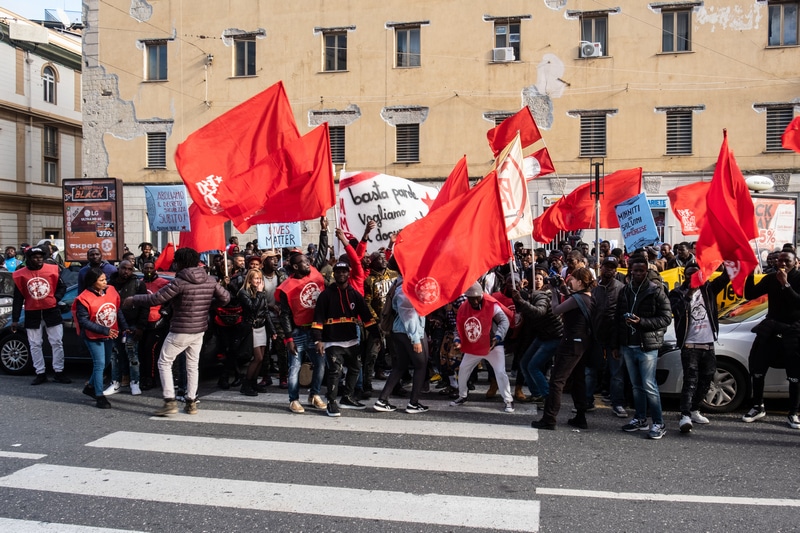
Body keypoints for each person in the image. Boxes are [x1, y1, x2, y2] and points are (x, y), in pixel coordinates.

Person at [124, 247, 230, 416]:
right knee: (192, 365)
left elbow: (156, 298)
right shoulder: (210, 280)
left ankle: (169, 401)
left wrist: (133, 299)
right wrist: (207, 306)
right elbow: (225, 298)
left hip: (181, 329)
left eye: (176, 261)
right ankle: (191, 401)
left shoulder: (179, 282)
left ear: (180, 263)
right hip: (199, 329)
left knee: (164, 362)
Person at [614, 255, 673, 439]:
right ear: (630, 270)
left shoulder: (656, 291)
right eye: (635, 270)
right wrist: (616, 344)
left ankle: (658, 423)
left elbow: (666, 318)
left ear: (646, 271)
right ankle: (640, 418)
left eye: (641, 270)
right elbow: (617, 319)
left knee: (649, 385)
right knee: (636, 386)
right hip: (628, 344)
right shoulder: (625, 291)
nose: (638, 273)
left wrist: (642, 322)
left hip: (647, 345)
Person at [531, 267, 595, 430]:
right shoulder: (586, 297)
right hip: (582, 343)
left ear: (580, 282)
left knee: (557, 381)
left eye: (572, 279)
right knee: (577, 380)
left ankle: (549, 418)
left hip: (570, 343)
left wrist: (553, 291)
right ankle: (580, 416)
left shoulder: (578, 298)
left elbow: (556, 309)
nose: (569, 281)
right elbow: (571, 298)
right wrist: (562, 287)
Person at [742, 251, 800, 428]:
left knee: (794, 375)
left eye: (786, 260)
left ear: (796, 262)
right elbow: (750, 294)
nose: (782, 263)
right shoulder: (770, 278)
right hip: (771, 330)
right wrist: (750, 273)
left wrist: (786, 284)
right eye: (779, 260)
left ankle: (793, 413)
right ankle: (758, 406)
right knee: (758, 369)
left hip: (793, 331)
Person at [312, 261, 378, 416]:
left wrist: (376, 336)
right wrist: (318, 340)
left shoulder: (355, 294)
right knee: (335, 371)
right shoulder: (325, 295)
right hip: (332, 341)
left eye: (344, 271)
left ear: (348, 273)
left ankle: (347, 397)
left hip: (352, 340)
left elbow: (367, 316)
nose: (341, 274)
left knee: (355, 368)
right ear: (334, 274)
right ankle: (332, 402)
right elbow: (318, 319)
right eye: (338, 272)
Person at [669, 263, 728, 433]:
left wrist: (724, 261)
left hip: (708, 343)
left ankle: (695, 409)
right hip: (690, 345)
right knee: (690, 380)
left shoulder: (709, 289)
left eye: (696, 274)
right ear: (684, 276)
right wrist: (689, 294)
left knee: (707, 377)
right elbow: (677, 311)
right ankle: (685, 415)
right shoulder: (677, 293)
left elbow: (725, 278)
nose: (693, 277)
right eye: (689, 274)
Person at [373, 257, 429, 414]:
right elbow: (408, 314)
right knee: (421, 365)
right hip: (409, 332)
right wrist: (416, 339)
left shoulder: (399, 281)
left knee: (400, 366)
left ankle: (382, 400)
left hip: (400, 332)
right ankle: (413, 403)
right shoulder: (404, 287)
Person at [449, 282, 515, 413]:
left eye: (477, 298)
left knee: (500, 372)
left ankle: (508, 400)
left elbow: (504, 321)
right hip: (475, 345)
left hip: (492, 345)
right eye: (471, 298)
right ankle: (462, 395)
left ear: (481, 295)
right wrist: (457, 340)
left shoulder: (492, 305)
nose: (474, 301)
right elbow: (458, 327)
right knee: (463, 369)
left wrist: (498, 337)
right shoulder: (463, 307)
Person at [276, 251, 328, 414]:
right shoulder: (286, 287)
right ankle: (294, 399)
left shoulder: (314, 272)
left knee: (320, 364)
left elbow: (321, 255)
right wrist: (289, 338)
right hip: (297, 332)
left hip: (315, 331)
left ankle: (314, 395)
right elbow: (284, 315)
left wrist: (324, 231)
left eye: (308, 261)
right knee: (295, 367)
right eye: (304, 262)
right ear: (295, 266)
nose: (308, 264)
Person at [11, 246, 70, 385]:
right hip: (32, 312)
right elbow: (18, 298)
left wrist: (56, 298)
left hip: (52, 310)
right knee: (35, 344)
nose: (38, 260)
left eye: (40, 257)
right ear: (29, 259)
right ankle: (40, 372)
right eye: (35, 257)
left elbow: (62, 286)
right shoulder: (20, 275)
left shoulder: (52, 269)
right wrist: (15, 319)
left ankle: (59, 371)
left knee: (57, 342)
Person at [73, 268, 129, 409]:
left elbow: (117, 310)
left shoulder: (111, 290)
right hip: (94, 336)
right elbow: (84, 322)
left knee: (104, 364)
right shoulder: (83, 298)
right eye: (102, 280)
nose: (106, 282)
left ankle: (90, 386)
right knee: (99, 364)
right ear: (93, 282)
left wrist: (124, 326)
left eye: (105, 279)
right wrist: (105, 330)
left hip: (110, 334)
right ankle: (99, 396)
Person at [512, 267, 563, 404]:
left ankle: (548, 397)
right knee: (524, 363)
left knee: (533, 366)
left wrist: (522, 303)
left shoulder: (540, 297)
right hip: (542, 335)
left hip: (554, 336)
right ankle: (536, 393)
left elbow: (539, 312)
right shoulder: (528, 297)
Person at [589, 256, 626, 418]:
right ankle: (587, 401)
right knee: (590, 371)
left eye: (612, 267)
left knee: (616, 374)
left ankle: (617, 404)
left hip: (614, 338)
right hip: (595, 337)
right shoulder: (593, 287)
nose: (609, 270)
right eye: (606, 266)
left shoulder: (621, 288)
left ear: (616, 270)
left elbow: (622, 317)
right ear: (600, 268)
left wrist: (618, 342)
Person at [105, 260, 148, 396]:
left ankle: (135, 382)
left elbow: (145, 306)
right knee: (115, 354)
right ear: (119, 268)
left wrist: (141, 326)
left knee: (132, 354)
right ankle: (115, 382)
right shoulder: (110, 284)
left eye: (130, 269)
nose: (126, 271)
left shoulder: (138, 284)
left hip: (133, 324)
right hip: (114, 324)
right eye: (124, 268)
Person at [363, 248, 399, 393]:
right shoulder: (369, 280)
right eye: (380, 258)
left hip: (393, 322)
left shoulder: (394, 275)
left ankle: (397, 385)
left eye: (385, 258)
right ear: (372, 262)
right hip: (378, 322)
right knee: (372, 354)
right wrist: (376, 320)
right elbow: (367, 302)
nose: (384, 260)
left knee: (395, 354)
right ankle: (366, 385)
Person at [238, 268, 276, 396]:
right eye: (256, 278)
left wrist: (272, 330)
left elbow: (265, 312)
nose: (258, 281)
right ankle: (246, 384)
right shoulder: (243, 293)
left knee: (262, 358)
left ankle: (253, 382)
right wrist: (259, 293)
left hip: (262, 327)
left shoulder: (260, 292)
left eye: (260, 278)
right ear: (249, 279)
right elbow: (253, 308)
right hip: (251, 328)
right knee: (257, 357)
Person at [139, 260, 171, 390]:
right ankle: (143, 376)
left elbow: (170, 300)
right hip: (142, 322)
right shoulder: (140, 283)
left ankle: (151, 378)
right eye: (146, 268)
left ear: (154, 269)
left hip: (157, 322)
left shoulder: (163, 283)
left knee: (150, 350)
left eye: (151, 268)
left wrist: (165, 313)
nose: (148, 270)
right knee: (142, 351)